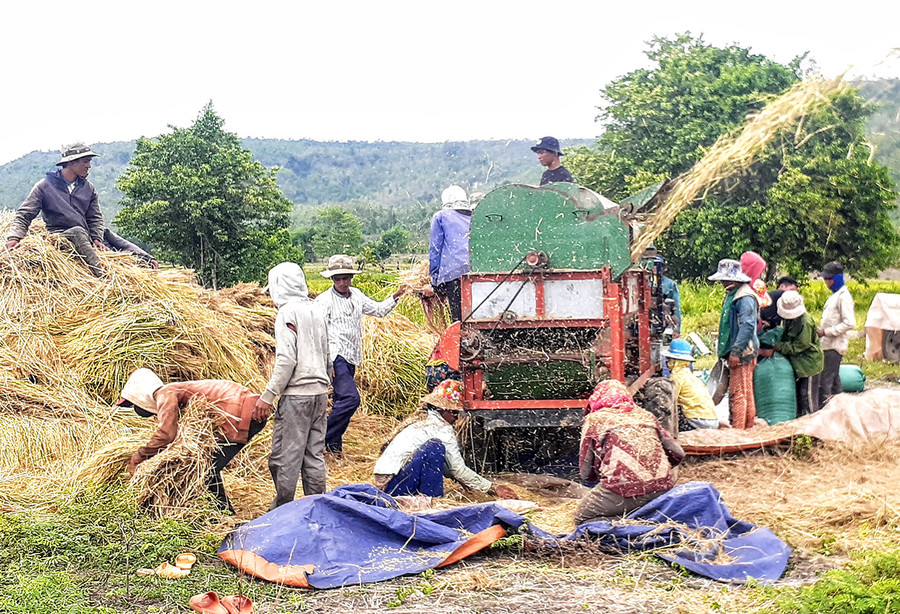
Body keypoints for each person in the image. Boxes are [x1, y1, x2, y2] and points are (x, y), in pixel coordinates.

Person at [117, 368, 267, 514]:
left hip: (237, 413)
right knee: (208, 468)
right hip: (243, 408)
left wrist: (141, 455)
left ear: (141, 396)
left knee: (204, 469)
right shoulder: (174, 390)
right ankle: (222, 512)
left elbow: (166, 434)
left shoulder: (165, 394)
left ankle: (223, 514)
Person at [5, 142, 157, 275]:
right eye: (86, 161)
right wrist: (14, 238)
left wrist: (97, 238)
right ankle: (104, 276)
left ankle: (148, 262)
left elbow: (95, 218)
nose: (89, 165)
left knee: (107, 234)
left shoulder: (88, 188)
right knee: (77, 231)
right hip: (62, 237)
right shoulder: (44, 186)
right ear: (72, 162)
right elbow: (24, 215)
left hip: (87, 236)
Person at [255, 262, 331, 509]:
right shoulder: (315, 311)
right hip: (320, 393)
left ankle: (283, 509)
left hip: (297, 395)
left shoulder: (287, 314)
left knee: (286, 456)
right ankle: (316, 507)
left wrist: (268, 396)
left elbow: (287, 359)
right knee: (314, 455)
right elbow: (327, 356)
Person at [315, 254, 408, 455]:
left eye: (345, 278)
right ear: (332, 279)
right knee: (351, 399)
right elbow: (318, 333)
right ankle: (319, 439)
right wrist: (326, 363)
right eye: (337, 279)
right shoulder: (324, 301)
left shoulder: (356, 295)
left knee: (342, 401)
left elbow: (378, 310)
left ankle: (333, 449)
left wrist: (397, 295)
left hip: (351, 356)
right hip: (335, 356)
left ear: (351, 278)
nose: (342, 282)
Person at [373, 379, 518, 499]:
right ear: (444, 410)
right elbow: (457, 469)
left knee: (435, 451)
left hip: (390, 483)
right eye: (455, 413)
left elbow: (451, 468)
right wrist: (493, 488)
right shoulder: (441, 428)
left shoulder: (426, 421)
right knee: (435, 448)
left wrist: (459, 479)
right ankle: (433, 501)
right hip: (393, 486)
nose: (457, 417)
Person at [573, 380, 685, 524]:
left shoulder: (595, 419)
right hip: (662, 488)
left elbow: (585, 472)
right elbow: (678, 453)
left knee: (582, 518)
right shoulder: (646, 415)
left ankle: (636, 521)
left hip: (622, 488)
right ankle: (651, 516)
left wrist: (603, 477)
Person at [709, 258, 759, 429]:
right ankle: (748, 426)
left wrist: (736, 351)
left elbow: (747, 325)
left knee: (739, 394)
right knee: (746, 391)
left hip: (743, 351)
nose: (722, 282)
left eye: (724, 279)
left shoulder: (744, 297)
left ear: (734, 279)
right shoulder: (734, 294)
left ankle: (738, 431)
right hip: (738, 349)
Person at [768, 291, 824, 416]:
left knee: (808, 397)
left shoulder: (805, 322)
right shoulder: (789, 320)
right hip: (798, 363)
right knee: (799, 395)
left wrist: (779, 347)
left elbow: (801, 344)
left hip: (809, 364)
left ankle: (812, 426)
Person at [428, 185, 473, 322]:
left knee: (459, 320)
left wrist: (435, 281)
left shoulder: (441, 217)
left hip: (454, 274)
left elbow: (435, 249)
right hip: (476, 273)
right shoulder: (475, 215)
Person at [817, 261, 855, 409]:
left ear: (837, 278)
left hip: (834, 346)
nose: (826, 282)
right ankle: (842, 410)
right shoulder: (835, 295)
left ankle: (827, 412)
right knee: (834, 381)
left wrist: (826, 332)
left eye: (829, 279)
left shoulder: (843, 297)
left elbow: (850, 323)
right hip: (827, 345)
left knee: (825, 382)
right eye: (825, 279)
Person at [662, 339, 718, 430]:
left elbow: (670, 400)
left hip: (699, 421)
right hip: (712, 420)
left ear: (674, 361)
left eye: (669, 359)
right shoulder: (691, 376)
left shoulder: (677, 376)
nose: (667, 362)